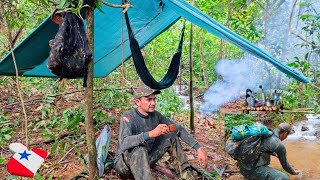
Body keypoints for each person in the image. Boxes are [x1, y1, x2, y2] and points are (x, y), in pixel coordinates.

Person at [114, 86, 208, 180]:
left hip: (145, 161)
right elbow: (124, 143)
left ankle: (185, 174)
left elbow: (177, 128)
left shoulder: (156, 116)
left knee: (171, 135)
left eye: (154, 99)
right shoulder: (128, 116)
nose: (153, 103)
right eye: (149, 99)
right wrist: (150, 134)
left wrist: (198, 148)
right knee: (140, 150)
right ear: (138, 102)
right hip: (125, 165)